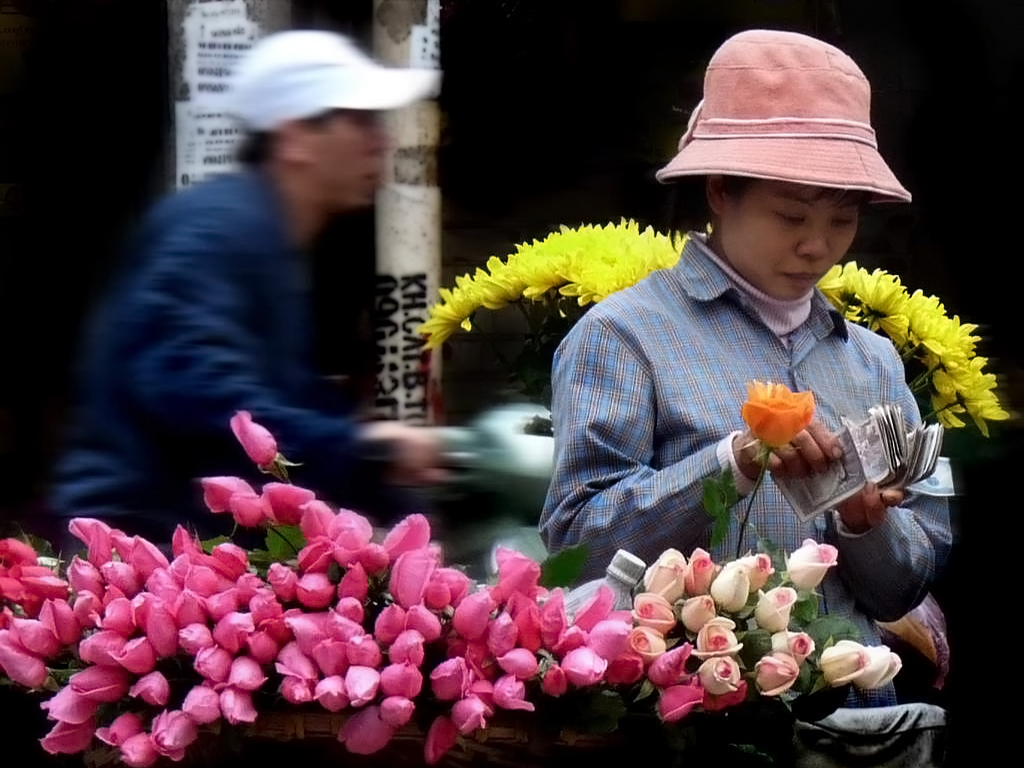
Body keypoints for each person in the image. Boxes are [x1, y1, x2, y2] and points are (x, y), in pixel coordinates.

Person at [539, 29, 952, 707]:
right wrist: (729, 464)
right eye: (790, 215)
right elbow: (577, 549)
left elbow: (908, 583)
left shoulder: (874, 362)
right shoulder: (621, 337)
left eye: (842, 221)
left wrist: (863, 521)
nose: (817, 245)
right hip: (691, 725)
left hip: (857, 724)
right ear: (721, 192)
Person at [46, 30, 447, 548]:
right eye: (358, 119)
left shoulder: (270, 237)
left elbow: (288, 402)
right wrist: (364, 448)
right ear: (294, 135)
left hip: (192, 546)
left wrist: (385, 487)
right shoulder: (217, 229)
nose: (380, 140)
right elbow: (194, 386)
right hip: (137, 550)